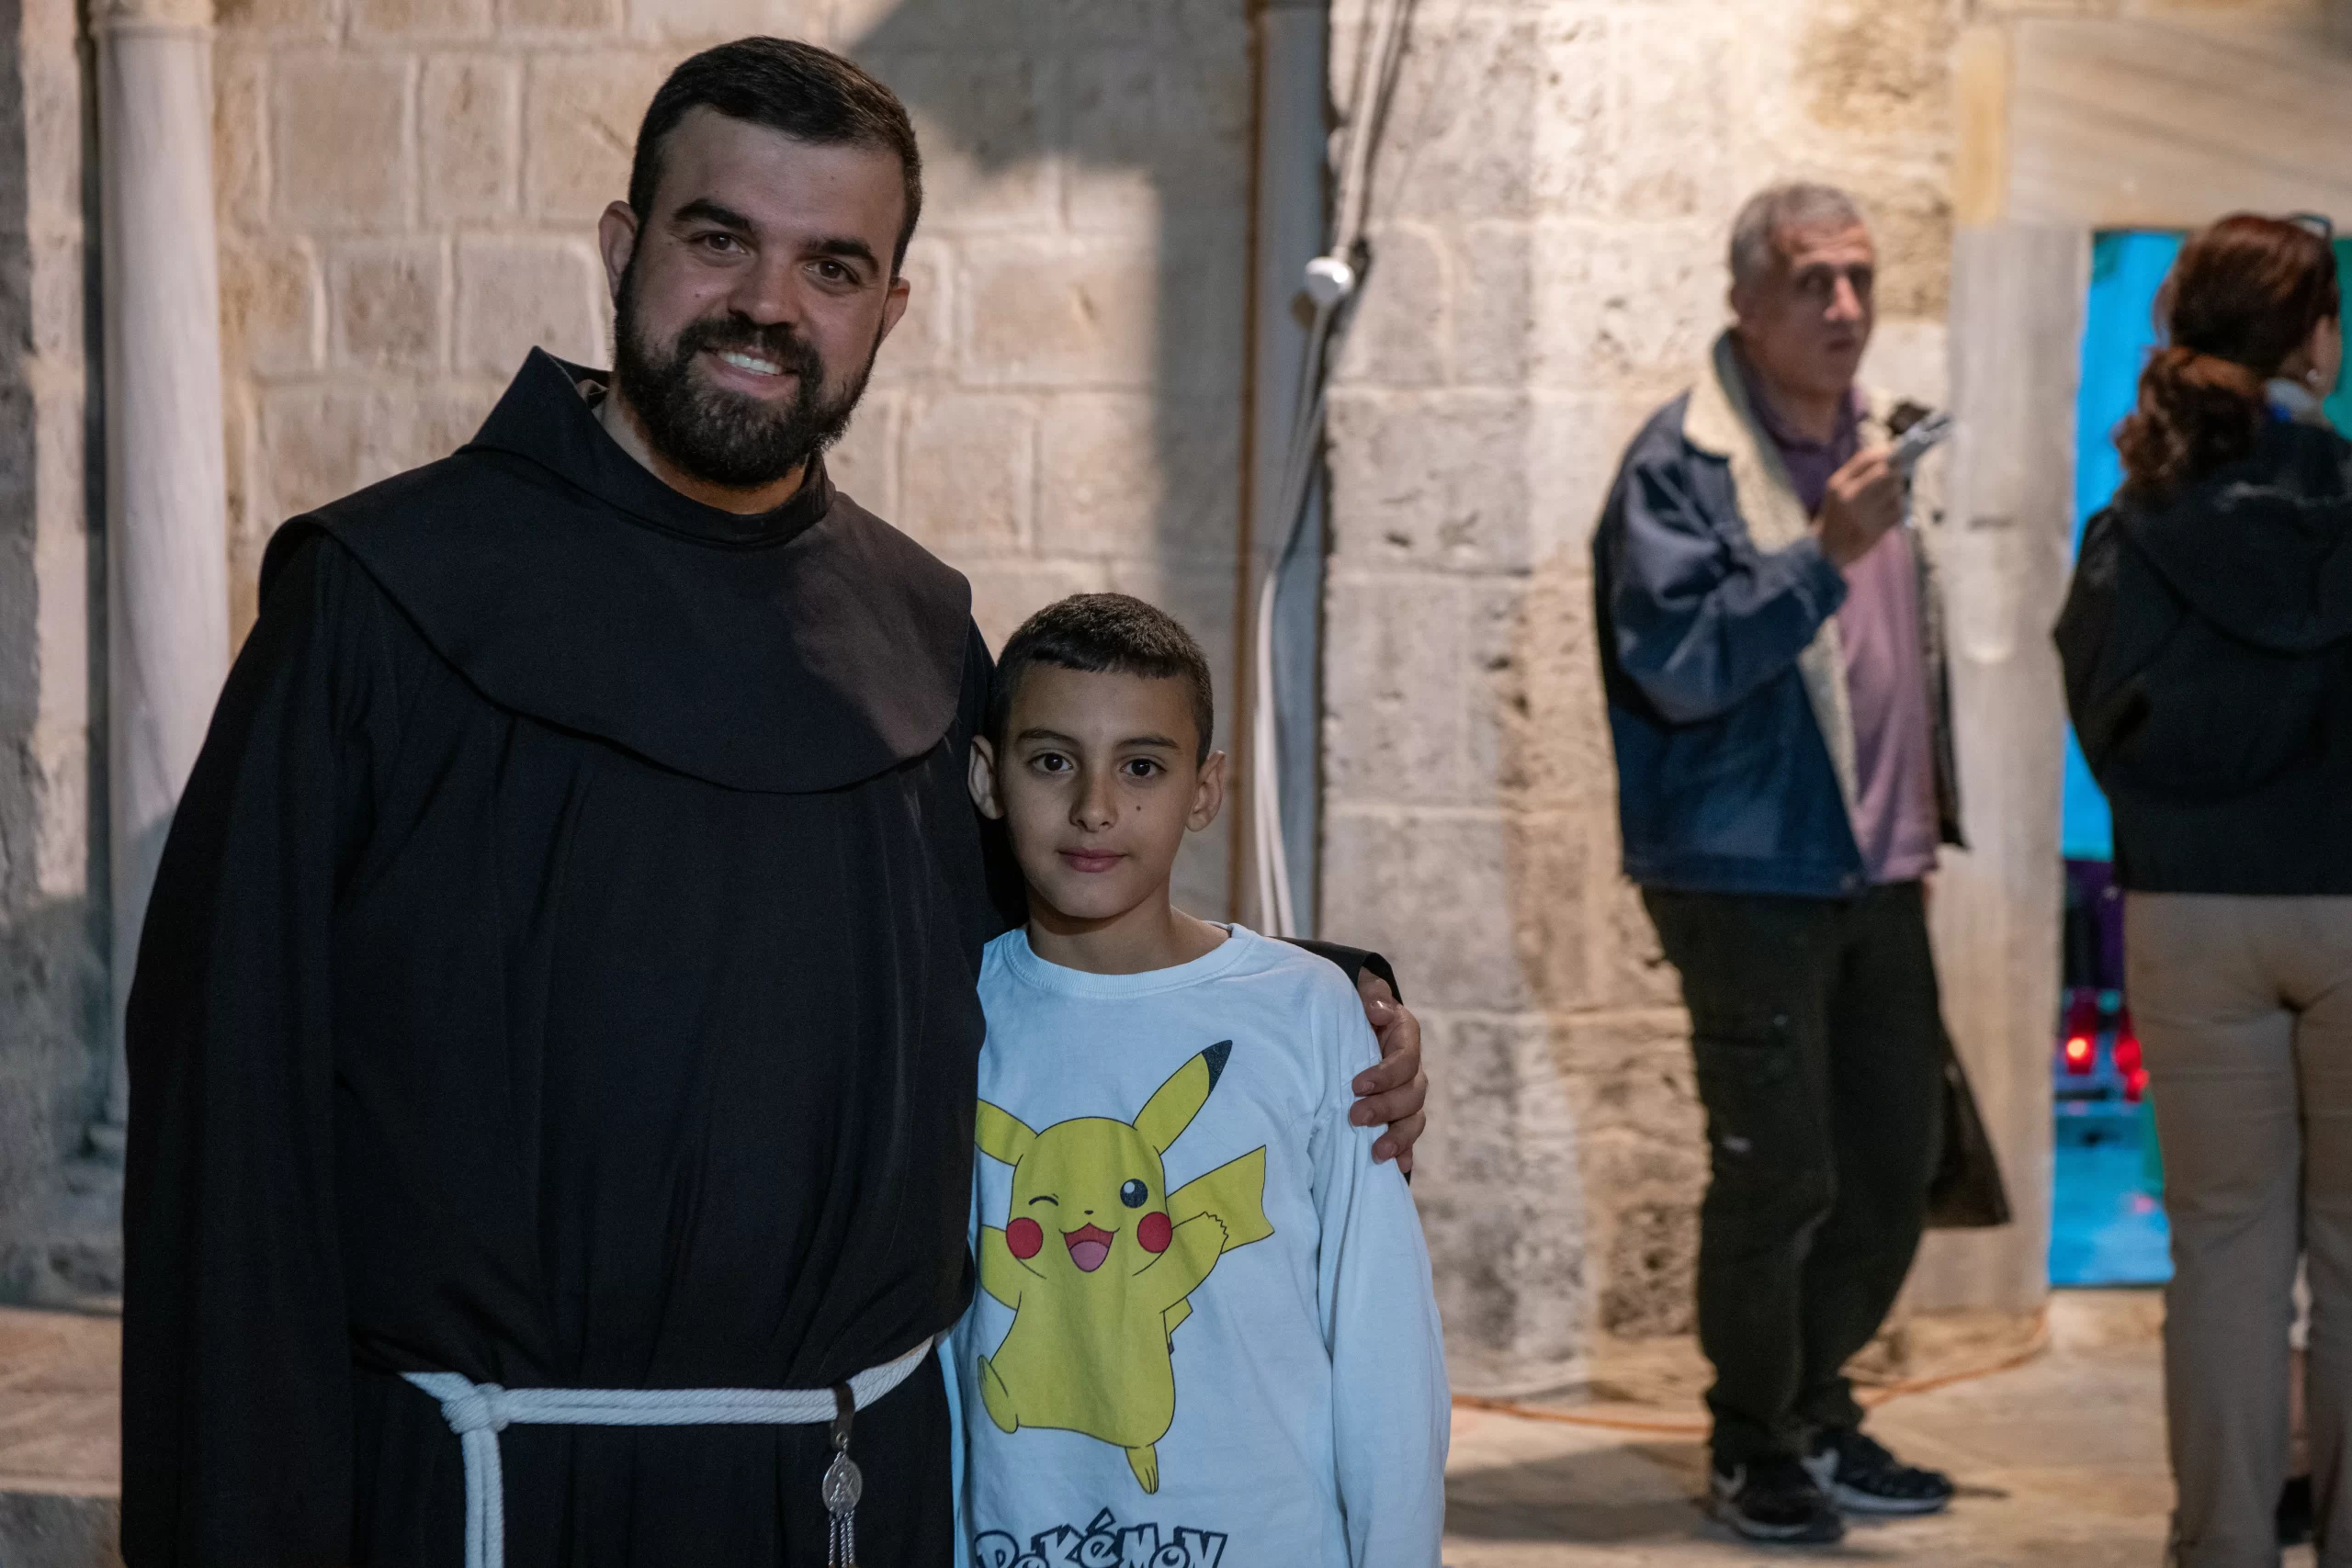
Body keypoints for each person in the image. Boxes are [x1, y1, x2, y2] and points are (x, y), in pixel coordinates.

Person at [119, 39, 1428, 1568]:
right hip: (487, 1502)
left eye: (833, 266)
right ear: (624, 248)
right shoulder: (379, 601)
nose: (767, 305)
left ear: (891, 311)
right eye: (719, 237)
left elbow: (1028, 954)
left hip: (849, 1494)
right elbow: (231, 1134)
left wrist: (1312, 998)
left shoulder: (916, 624)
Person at [1589, 182, 1963, 1544]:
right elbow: (1678, 665)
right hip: (1743, 874)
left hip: (1881, 868)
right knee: (1779, 1169)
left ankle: (1814, 1402)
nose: (1845, 307)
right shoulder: (1679, 463)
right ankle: (1754, 1439)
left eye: (1859, 276)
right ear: (1745, 299)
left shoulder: (1877, 436)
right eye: (1812, 280)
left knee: (1893, 1158)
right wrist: (1822, 555)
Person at [955, 594, 1449, 1567]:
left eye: (1141, 766)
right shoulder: (953, 1014)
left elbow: (1383, 1339)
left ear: (1205, 789)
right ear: (987, 777)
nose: (1096, 805)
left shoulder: (1309, 1012)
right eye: (1053, 760)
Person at [2055, 211, 2351, 1568]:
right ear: (2313, 338)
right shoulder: (2345, 494)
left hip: (2187, 911)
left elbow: (2099, 699)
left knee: (2226, 1248)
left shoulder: (2139, 519)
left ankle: (2221, 1545)